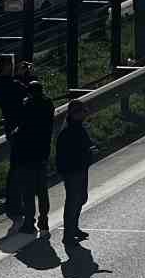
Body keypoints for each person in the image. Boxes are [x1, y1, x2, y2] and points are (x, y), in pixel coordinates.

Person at [11, 81, 54, 238]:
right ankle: (44, 221)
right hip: (42, 153)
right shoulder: (48, 105)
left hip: (27, 155)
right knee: (42, 191)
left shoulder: (27, 106)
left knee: (28, 192)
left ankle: (29, 222)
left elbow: (20, 128)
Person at [0, 56, 27, 232]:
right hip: (18, 126)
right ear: (5, 66)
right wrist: (26, 76)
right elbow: (28, 92)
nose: (12, 67)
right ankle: (15, 204)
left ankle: (15, 202)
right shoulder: (10, 85)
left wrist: (18, 77)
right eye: (10, 65)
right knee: (19, 167)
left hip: (11, 126)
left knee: (16, 165)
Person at [55, 101, 94, 247]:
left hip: (81, 169)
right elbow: (65, 153)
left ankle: (74, 228)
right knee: (73, 201)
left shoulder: (78, 127)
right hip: (72, 171)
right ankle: (68, 234)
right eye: (82, 111)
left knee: (81, 198)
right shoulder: (68, 130)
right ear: (75, 113)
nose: (85, 114)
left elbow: (85, 145)